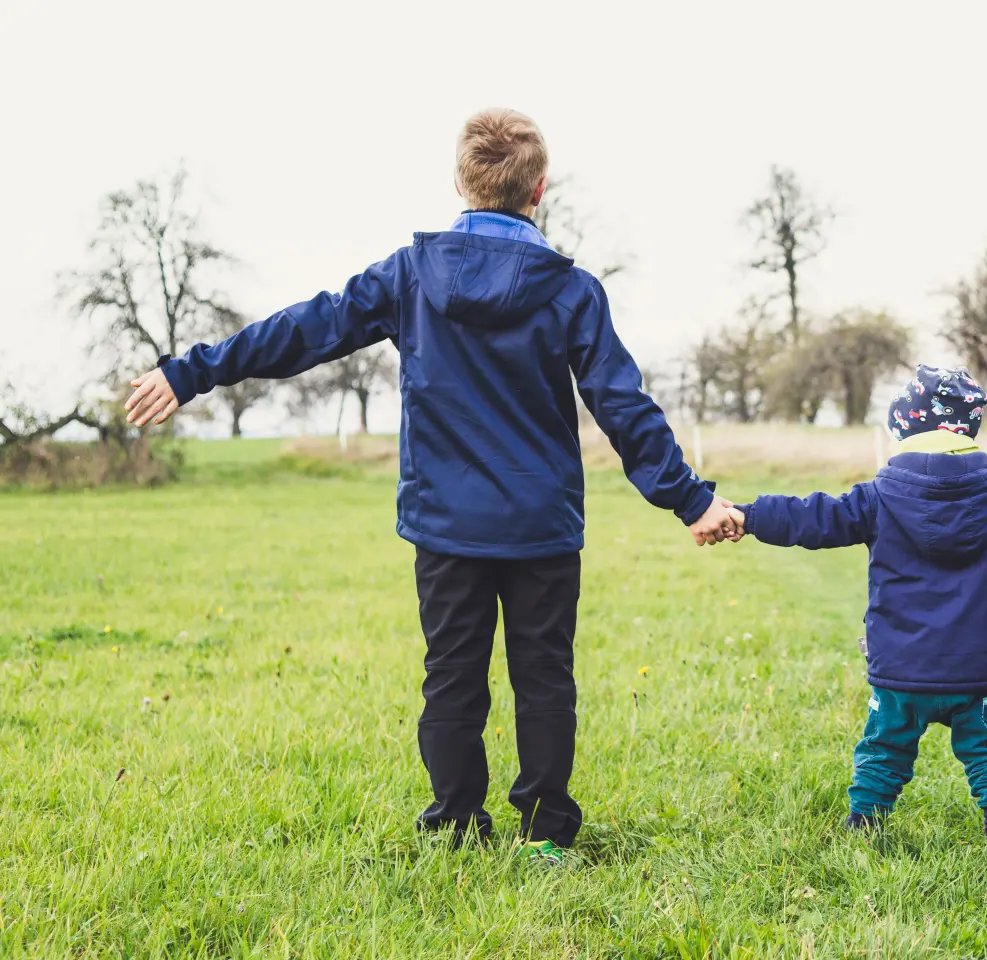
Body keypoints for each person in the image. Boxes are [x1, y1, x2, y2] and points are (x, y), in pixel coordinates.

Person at [122, 108, 742, 865]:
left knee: (452, 680)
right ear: (539, 189)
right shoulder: (572, 290)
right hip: (541, 526)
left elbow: (304, 330)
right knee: (544, 677)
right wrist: (691, 499)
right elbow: (622, 405)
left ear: (459, 181)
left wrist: (191, 372)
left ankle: (454, 825)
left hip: (447, 526)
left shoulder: (412, 276)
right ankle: (546, 835)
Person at [722, 365, 987, 856]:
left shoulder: (879, 495)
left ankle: (863, 826)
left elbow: (812, 516)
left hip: (901, 667)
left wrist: (748, 515)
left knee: (884, 747)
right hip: (973, 668)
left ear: (904, 427)